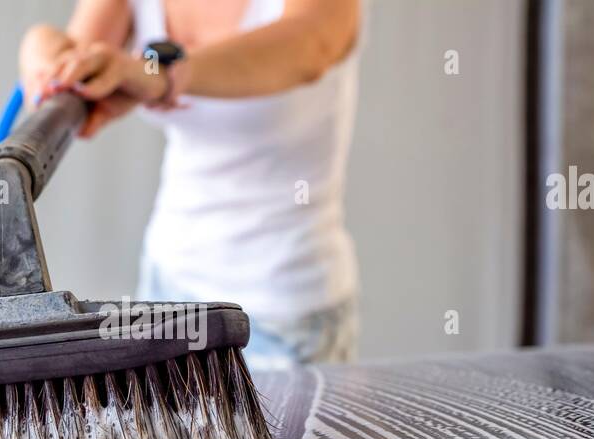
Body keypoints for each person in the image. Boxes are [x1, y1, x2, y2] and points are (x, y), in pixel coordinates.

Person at [20, 0, 361, 367]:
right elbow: (81, 60)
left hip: (284, 306)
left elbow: (309, 46)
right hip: (168, 286)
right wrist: (46, 55)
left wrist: (163, 75)